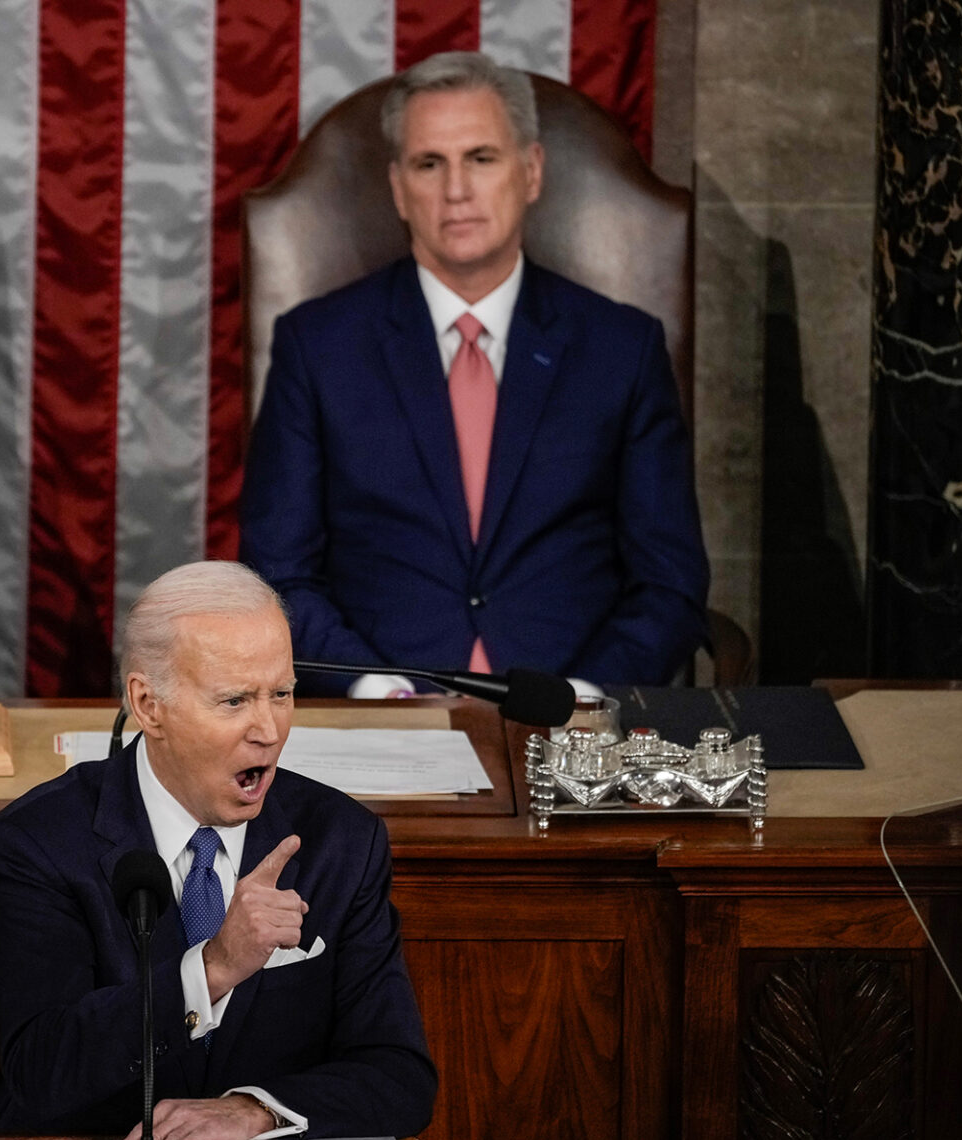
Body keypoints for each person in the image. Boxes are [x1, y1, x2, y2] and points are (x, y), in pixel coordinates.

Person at [240, 52, 709, 691]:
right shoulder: (317, 346)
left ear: (532, 171)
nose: (456, 190)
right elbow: (278, 574)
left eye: (481, 158)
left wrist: (588, 695)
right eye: (430, 164)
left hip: (573, 719)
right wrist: (371, 687)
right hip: (383, 720)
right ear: (399, 188)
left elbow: (669, 582)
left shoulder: (622, 349)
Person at [0, 560, 436, 1140]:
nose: (268, 729)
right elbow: (39, 1073)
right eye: (234, 700)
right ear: (148, 705)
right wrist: (213, 969)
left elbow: (399, 1076)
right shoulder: (40, 841)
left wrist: (255, 1111)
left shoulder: (342, 841)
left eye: (282, 694)